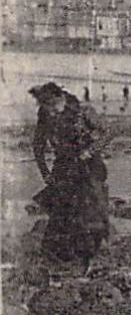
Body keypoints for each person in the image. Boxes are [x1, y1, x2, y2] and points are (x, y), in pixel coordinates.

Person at [30, 83, 111, 267]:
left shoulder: (83, 111)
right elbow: (38, 146)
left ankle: (94, 252)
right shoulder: (44, 114)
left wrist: (90, 151)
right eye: (46, 108)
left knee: (91, 207)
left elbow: (108, 132)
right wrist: (45, 173)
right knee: (60, 211)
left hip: (88, 164)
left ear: (61, 99)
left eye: (53, 107)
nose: (51, 113)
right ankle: (60, 257)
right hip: (63, 166)